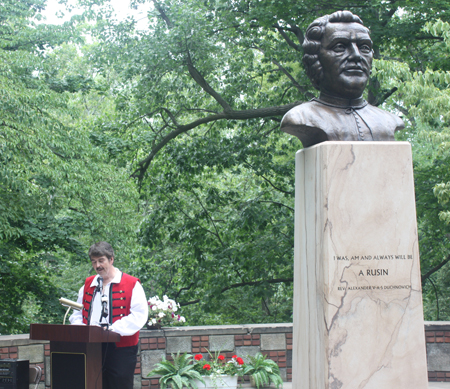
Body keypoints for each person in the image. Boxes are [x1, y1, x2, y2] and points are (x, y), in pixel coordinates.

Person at [280, 10, 404, 148]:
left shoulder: (388, 120)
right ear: (316, 59)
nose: (356, 55)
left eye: (364, 47)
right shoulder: (301, 117)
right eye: (340, 47)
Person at [69, 241, 148, 389]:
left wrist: (112, 330)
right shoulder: (88, 284)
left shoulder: (131, 284)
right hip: (92, 347)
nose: (97, 265)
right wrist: (81, 329)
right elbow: (78, 313)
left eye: (101, 261)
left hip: (121, 349)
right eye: (94, 262)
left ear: (111, 259)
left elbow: (139, 315)